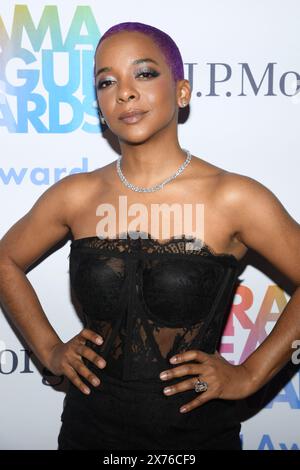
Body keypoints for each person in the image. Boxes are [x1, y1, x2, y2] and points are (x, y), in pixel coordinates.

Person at [0, 21, 299, 451]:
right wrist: (49, 350)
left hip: (196, 439)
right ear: (99, 103)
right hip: (88, 433)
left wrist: (251, 374)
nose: (124, 92)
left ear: (182, 91)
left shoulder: (234, 197)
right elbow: (6, 259)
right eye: (106, 81)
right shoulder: (76, 195)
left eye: (143, 73)